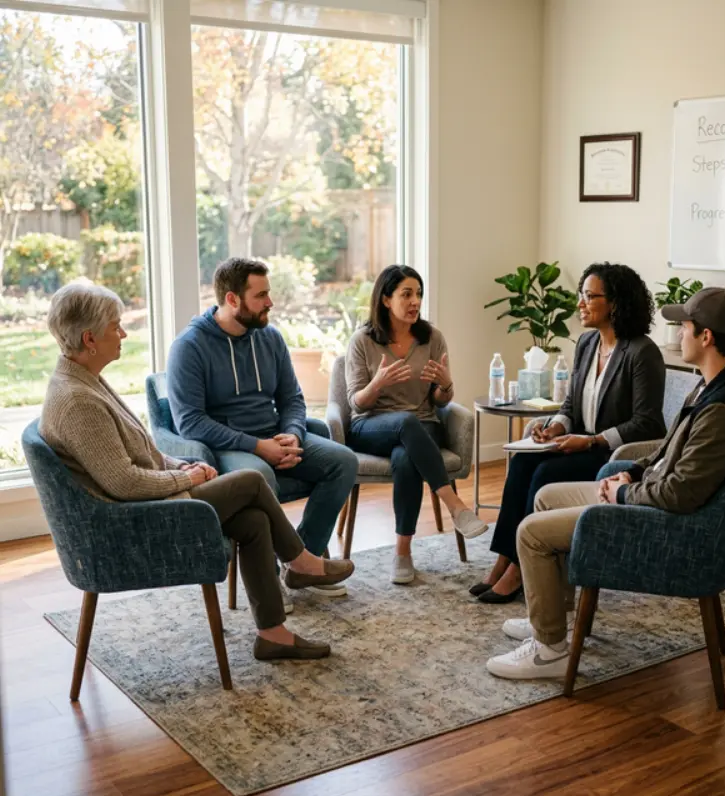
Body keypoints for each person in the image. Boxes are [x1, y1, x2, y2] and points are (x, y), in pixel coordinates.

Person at [39, 283, 355, 662]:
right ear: (90, 339)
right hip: (135, 521)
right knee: (252, 481)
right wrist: (186, 478)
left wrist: (179, 465)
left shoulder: (85, 381)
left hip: (149, 501)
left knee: (253, 520)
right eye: (115, 326)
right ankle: (300, 561)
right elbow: (123, 482)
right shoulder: (77, 401)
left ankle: (273, 634)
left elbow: (139, 455)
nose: (123, 333)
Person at [487, 287, 725, 680]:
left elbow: (679, 494)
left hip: (661, 521)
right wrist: (633, 471)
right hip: (645, 494)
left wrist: (622, 491)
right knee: (547, 497)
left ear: (706, 337)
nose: (679, 333)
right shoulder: (716, 384)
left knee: (532, 533)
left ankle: (549, 650)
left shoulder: (723, 408)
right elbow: (670, 450)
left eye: (684, 326)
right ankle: (555, 619)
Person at [473, 263, 666, 604]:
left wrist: (592, 440)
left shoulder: (642, 352)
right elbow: (571, 405)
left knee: (546, 474)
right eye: (582, 294)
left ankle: (520, 568)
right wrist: (556, 427)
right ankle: (504, 557)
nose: (580, 303)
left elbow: (647, 423)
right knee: (520, 464)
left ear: (616, 303)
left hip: (610, 454)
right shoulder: (588, 343)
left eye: (590, 296)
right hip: (577, 444)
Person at [166, 258, 358, 598]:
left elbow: (292, 398)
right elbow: (190, 422)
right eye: (261, 295)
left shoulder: (269, 337)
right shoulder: (189, 347)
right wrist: (257, 446)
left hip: (277, 435)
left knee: (342, 461)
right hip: (229, 448)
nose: (270, 302)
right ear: (232, 300)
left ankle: (302, 565)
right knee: (259, 478)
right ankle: (267, 584)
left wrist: (293, 433)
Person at [345, 265, 489, 585]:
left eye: (419, 294)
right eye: (406, 294)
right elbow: (356, 402)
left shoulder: (431, 338)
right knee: (405, 423)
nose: (415, 301)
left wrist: (447, 385)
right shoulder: (363, 341)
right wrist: (377, 384)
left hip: (422, 426)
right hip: (371, 427)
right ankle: (455, 506)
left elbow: (438, 401)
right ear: (385, 299)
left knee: (405, 458)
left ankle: (402, 553)